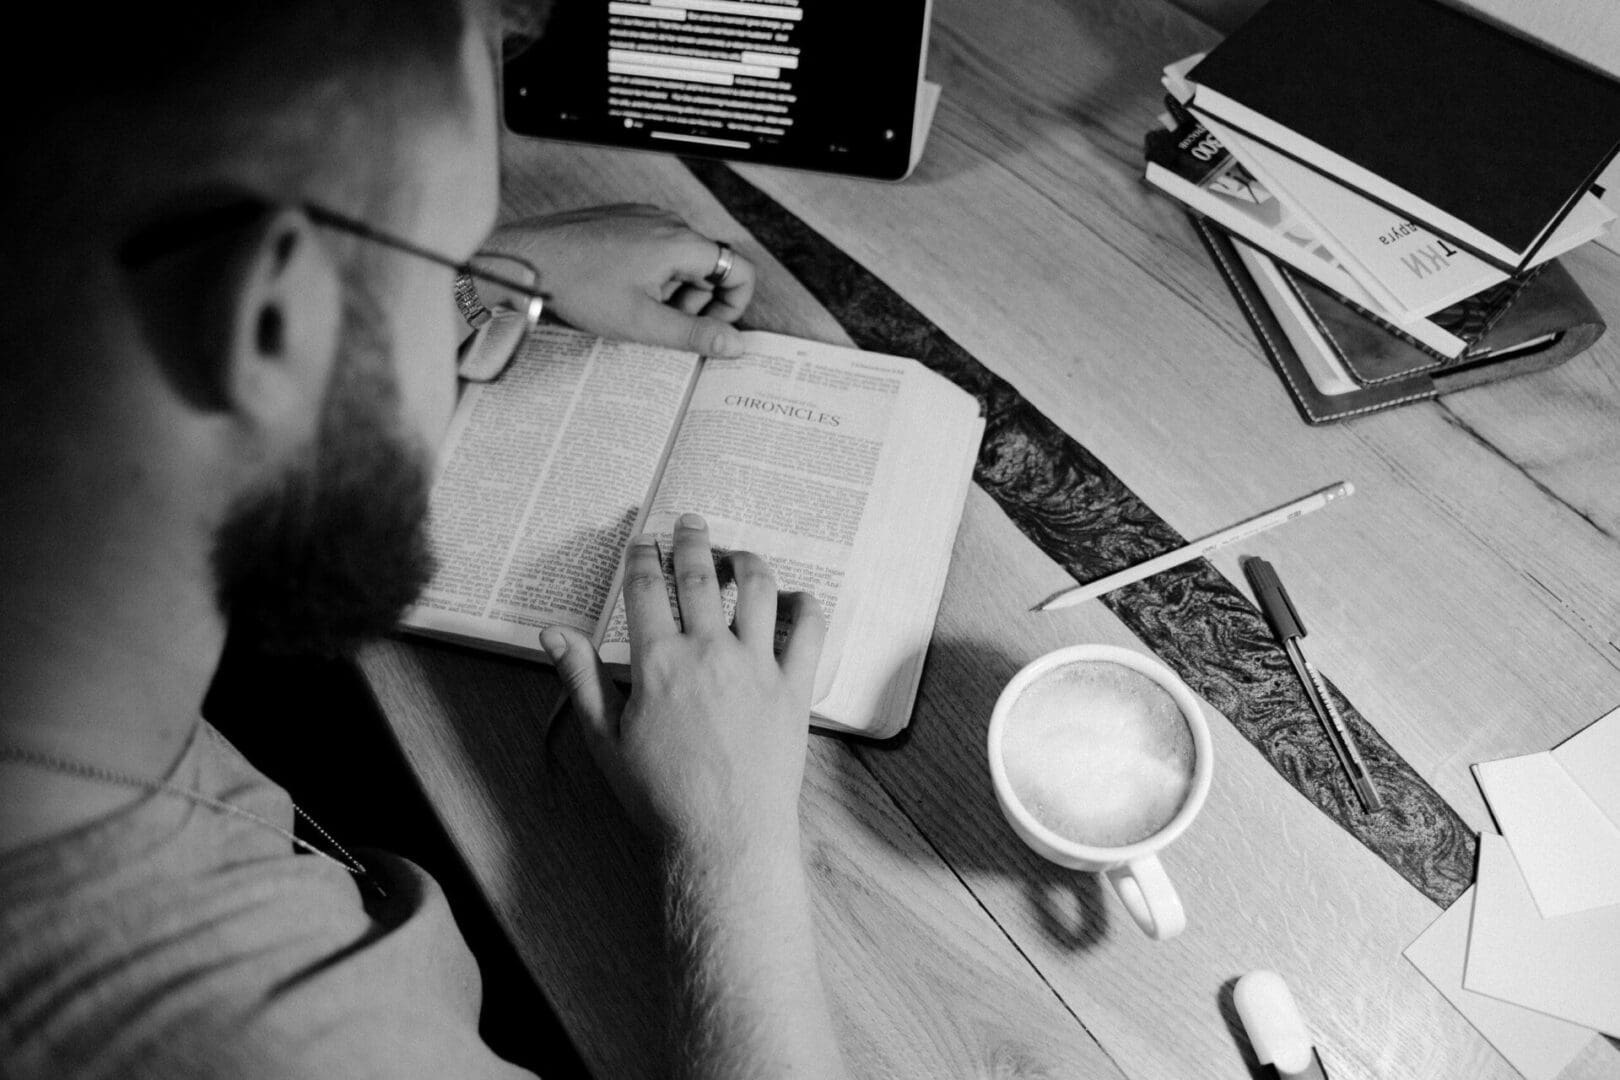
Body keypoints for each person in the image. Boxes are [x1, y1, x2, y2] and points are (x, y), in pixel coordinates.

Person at [0, 2, 848, 1077]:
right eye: (446, 260)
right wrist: (732, 850)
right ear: (275, 318)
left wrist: (444, 257)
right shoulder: (275, 1041)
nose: (482, 306)